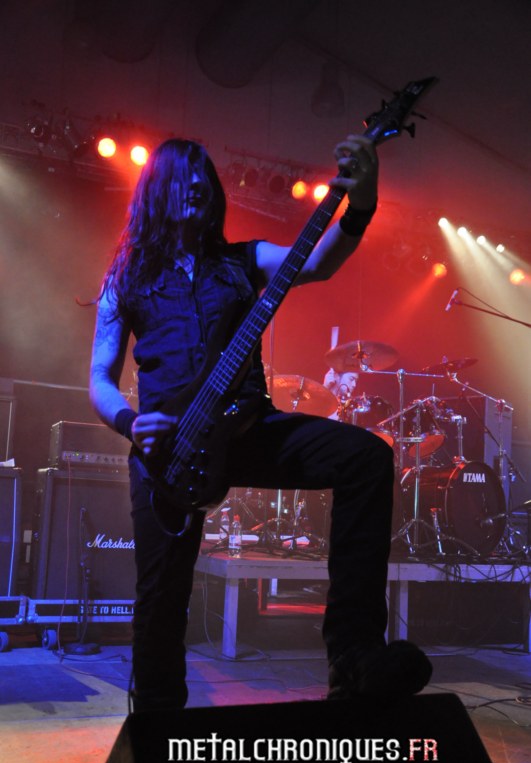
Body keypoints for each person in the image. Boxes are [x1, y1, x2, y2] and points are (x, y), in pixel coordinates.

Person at [89, 135, 432, 712]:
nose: (197, 183)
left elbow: (318, 261)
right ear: (155, 190)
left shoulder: (243, 261)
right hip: (167, 451)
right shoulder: (125, 278)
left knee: (367, 457)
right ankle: (156, 721)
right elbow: (99, 377)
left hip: (249, 430)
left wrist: (362, 203)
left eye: (204, 174)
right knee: (161, 595)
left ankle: (354, 658)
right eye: (182, 174)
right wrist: (128, 421)